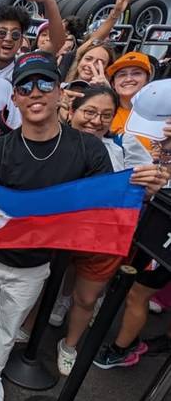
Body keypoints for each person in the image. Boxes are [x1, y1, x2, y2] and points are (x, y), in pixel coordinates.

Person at [0, 52, 113, 401]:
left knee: (10, 328)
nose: (35, 92)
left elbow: (104, 204)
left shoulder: (88, 148)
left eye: (45, 82)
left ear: (60, 92)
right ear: (15, 97)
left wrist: (141, 186)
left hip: (33, 267)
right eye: (25, 86)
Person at [55, 85, 166, 375]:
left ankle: (69, 345)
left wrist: (151, 184)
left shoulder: (125, 145)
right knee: (48, 286)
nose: (96, 120)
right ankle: (31, 327)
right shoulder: (54, 139)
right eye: (89, 112)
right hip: (57, 233)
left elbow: (148, 187)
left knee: (86, 298)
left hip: (102, 240)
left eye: (105, 115)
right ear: (72, 112)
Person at [108, 51, 152, 135]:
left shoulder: (163, 114)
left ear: (147, 80)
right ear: (113, 84)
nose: (128, 79)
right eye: (122, 75)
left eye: (136, 73)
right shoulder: (104, 113)